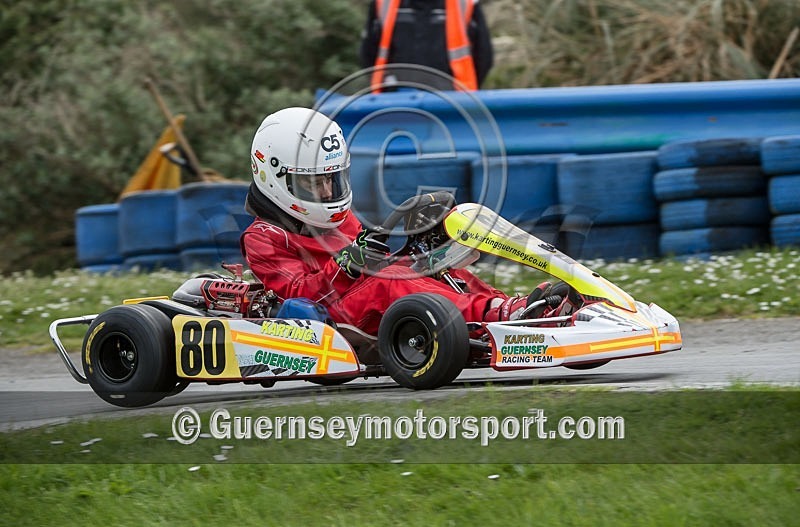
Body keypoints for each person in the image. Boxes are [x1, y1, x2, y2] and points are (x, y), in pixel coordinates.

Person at [240, 107, 562, 335]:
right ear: (275, 177)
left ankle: (511, 310)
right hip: (326, 319)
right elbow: (299, 293)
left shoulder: (333, 218)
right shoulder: (264, 237)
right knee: (389, 280)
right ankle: (494, 316)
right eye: (314, 183)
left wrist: (418, 252)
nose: (326, 192)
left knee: (430, 266)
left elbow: (372, 262)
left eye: (332, 179)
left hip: (359, 301)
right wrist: (348, 264)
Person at [359, 0, 493, 92]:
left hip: (452, 99)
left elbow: (483, 54)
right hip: (396, 97)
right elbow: (369, 52)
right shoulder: (383, 3)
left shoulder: (465, 3)